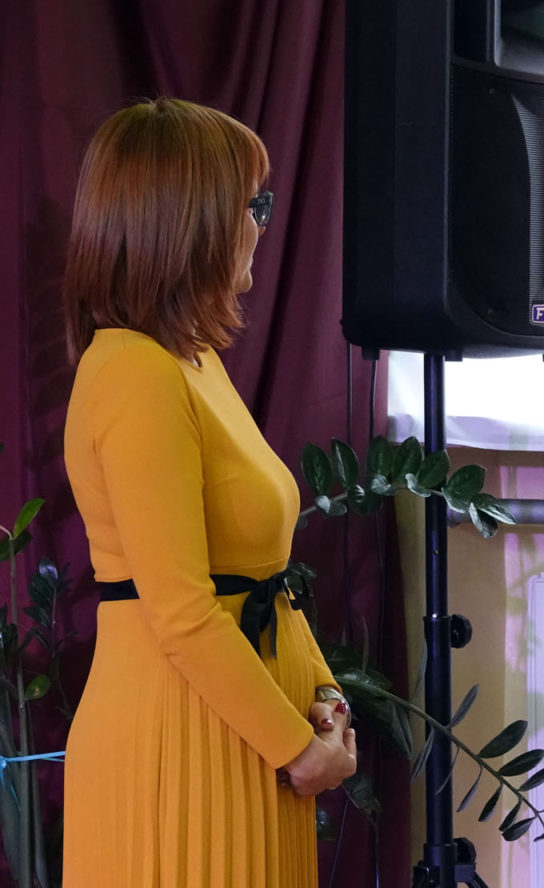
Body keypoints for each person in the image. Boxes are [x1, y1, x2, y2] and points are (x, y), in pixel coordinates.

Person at [61, 98, 356, 887]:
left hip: (249, 739)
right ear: (188, 220)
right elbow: (182, 611)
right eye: (250, 204)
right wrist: (298, 750)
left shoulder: (192, 361)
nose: (261, 224)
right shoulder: (135, 373)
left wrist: (325, 697)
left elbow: (265, 581)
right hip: (183, 744)